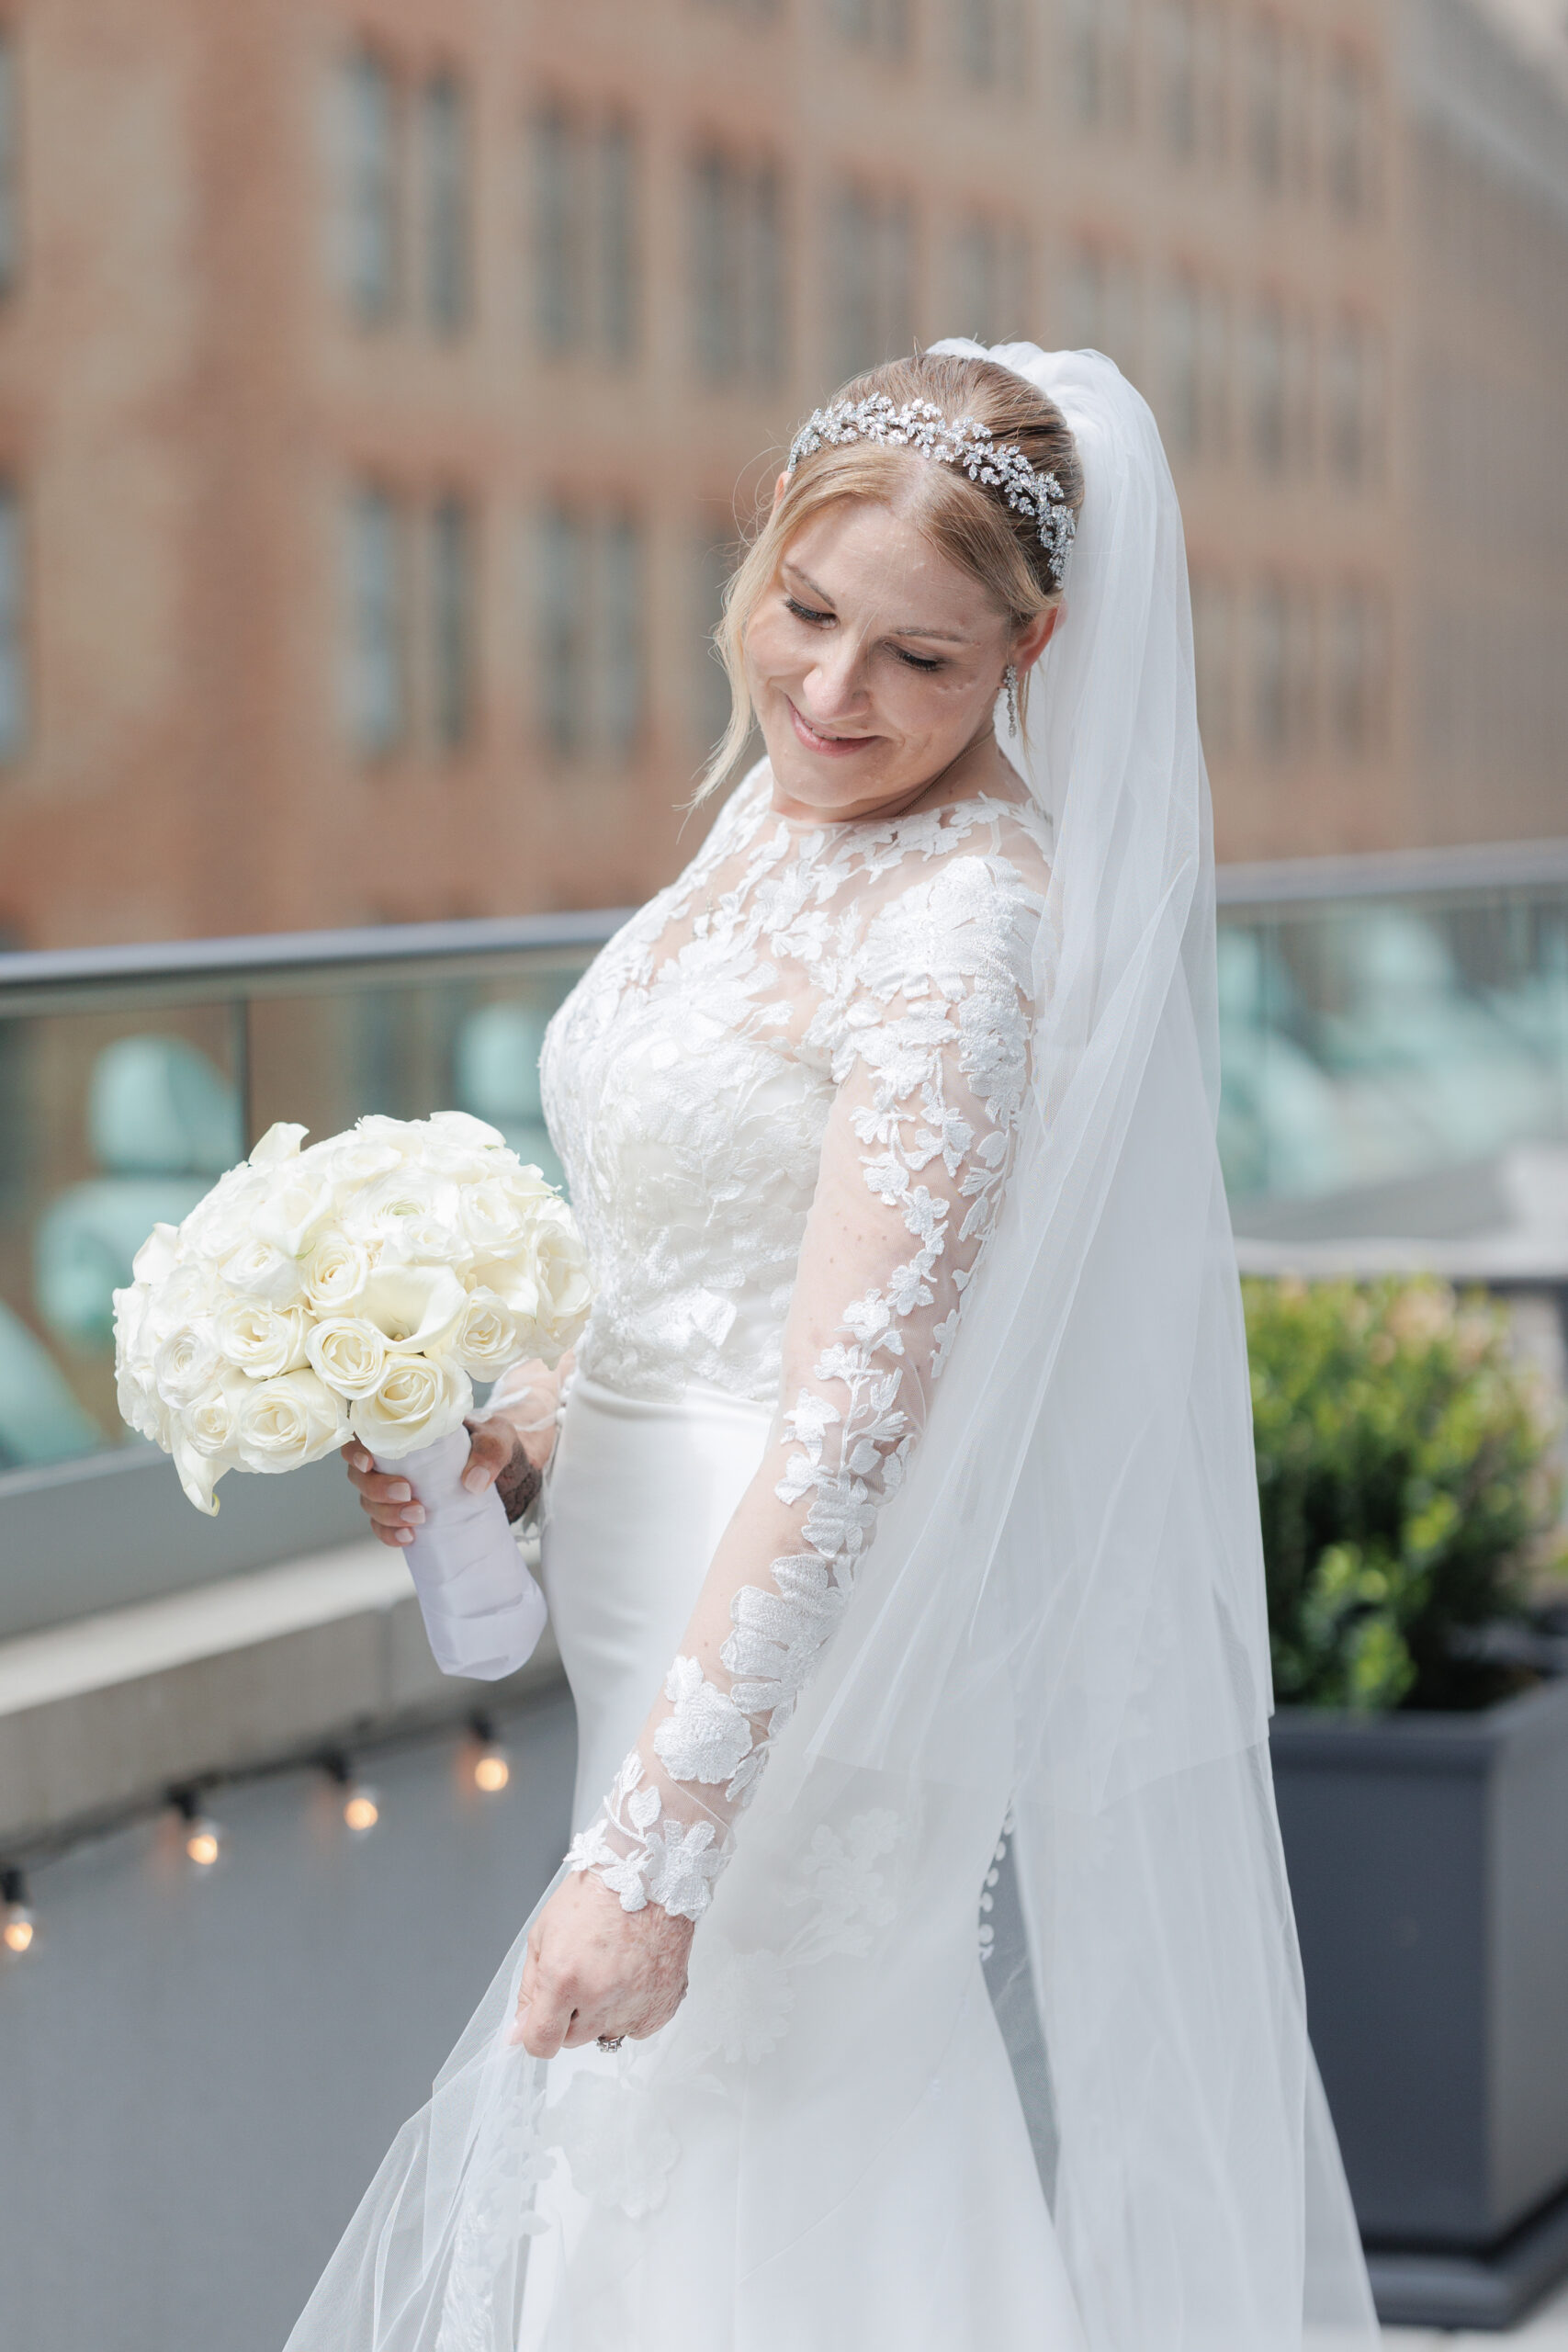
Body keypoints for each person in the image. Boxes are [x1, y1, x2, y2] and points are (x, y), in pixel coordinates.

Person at [294, 344, 1380, 2352]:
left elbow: (849, 1415)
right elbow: (704, 1260)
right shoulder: (774, 818)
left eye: (920, 661)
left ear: (1029, 652)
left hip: (799, 1663)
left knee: (752, 2145)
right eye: (803, 613)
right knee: (673, 2151)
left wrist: (654, 1845)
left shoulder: (961, 928)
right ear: (756, 560)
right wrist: (517, 1434)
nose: (831, 695)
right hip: (658, 1617)